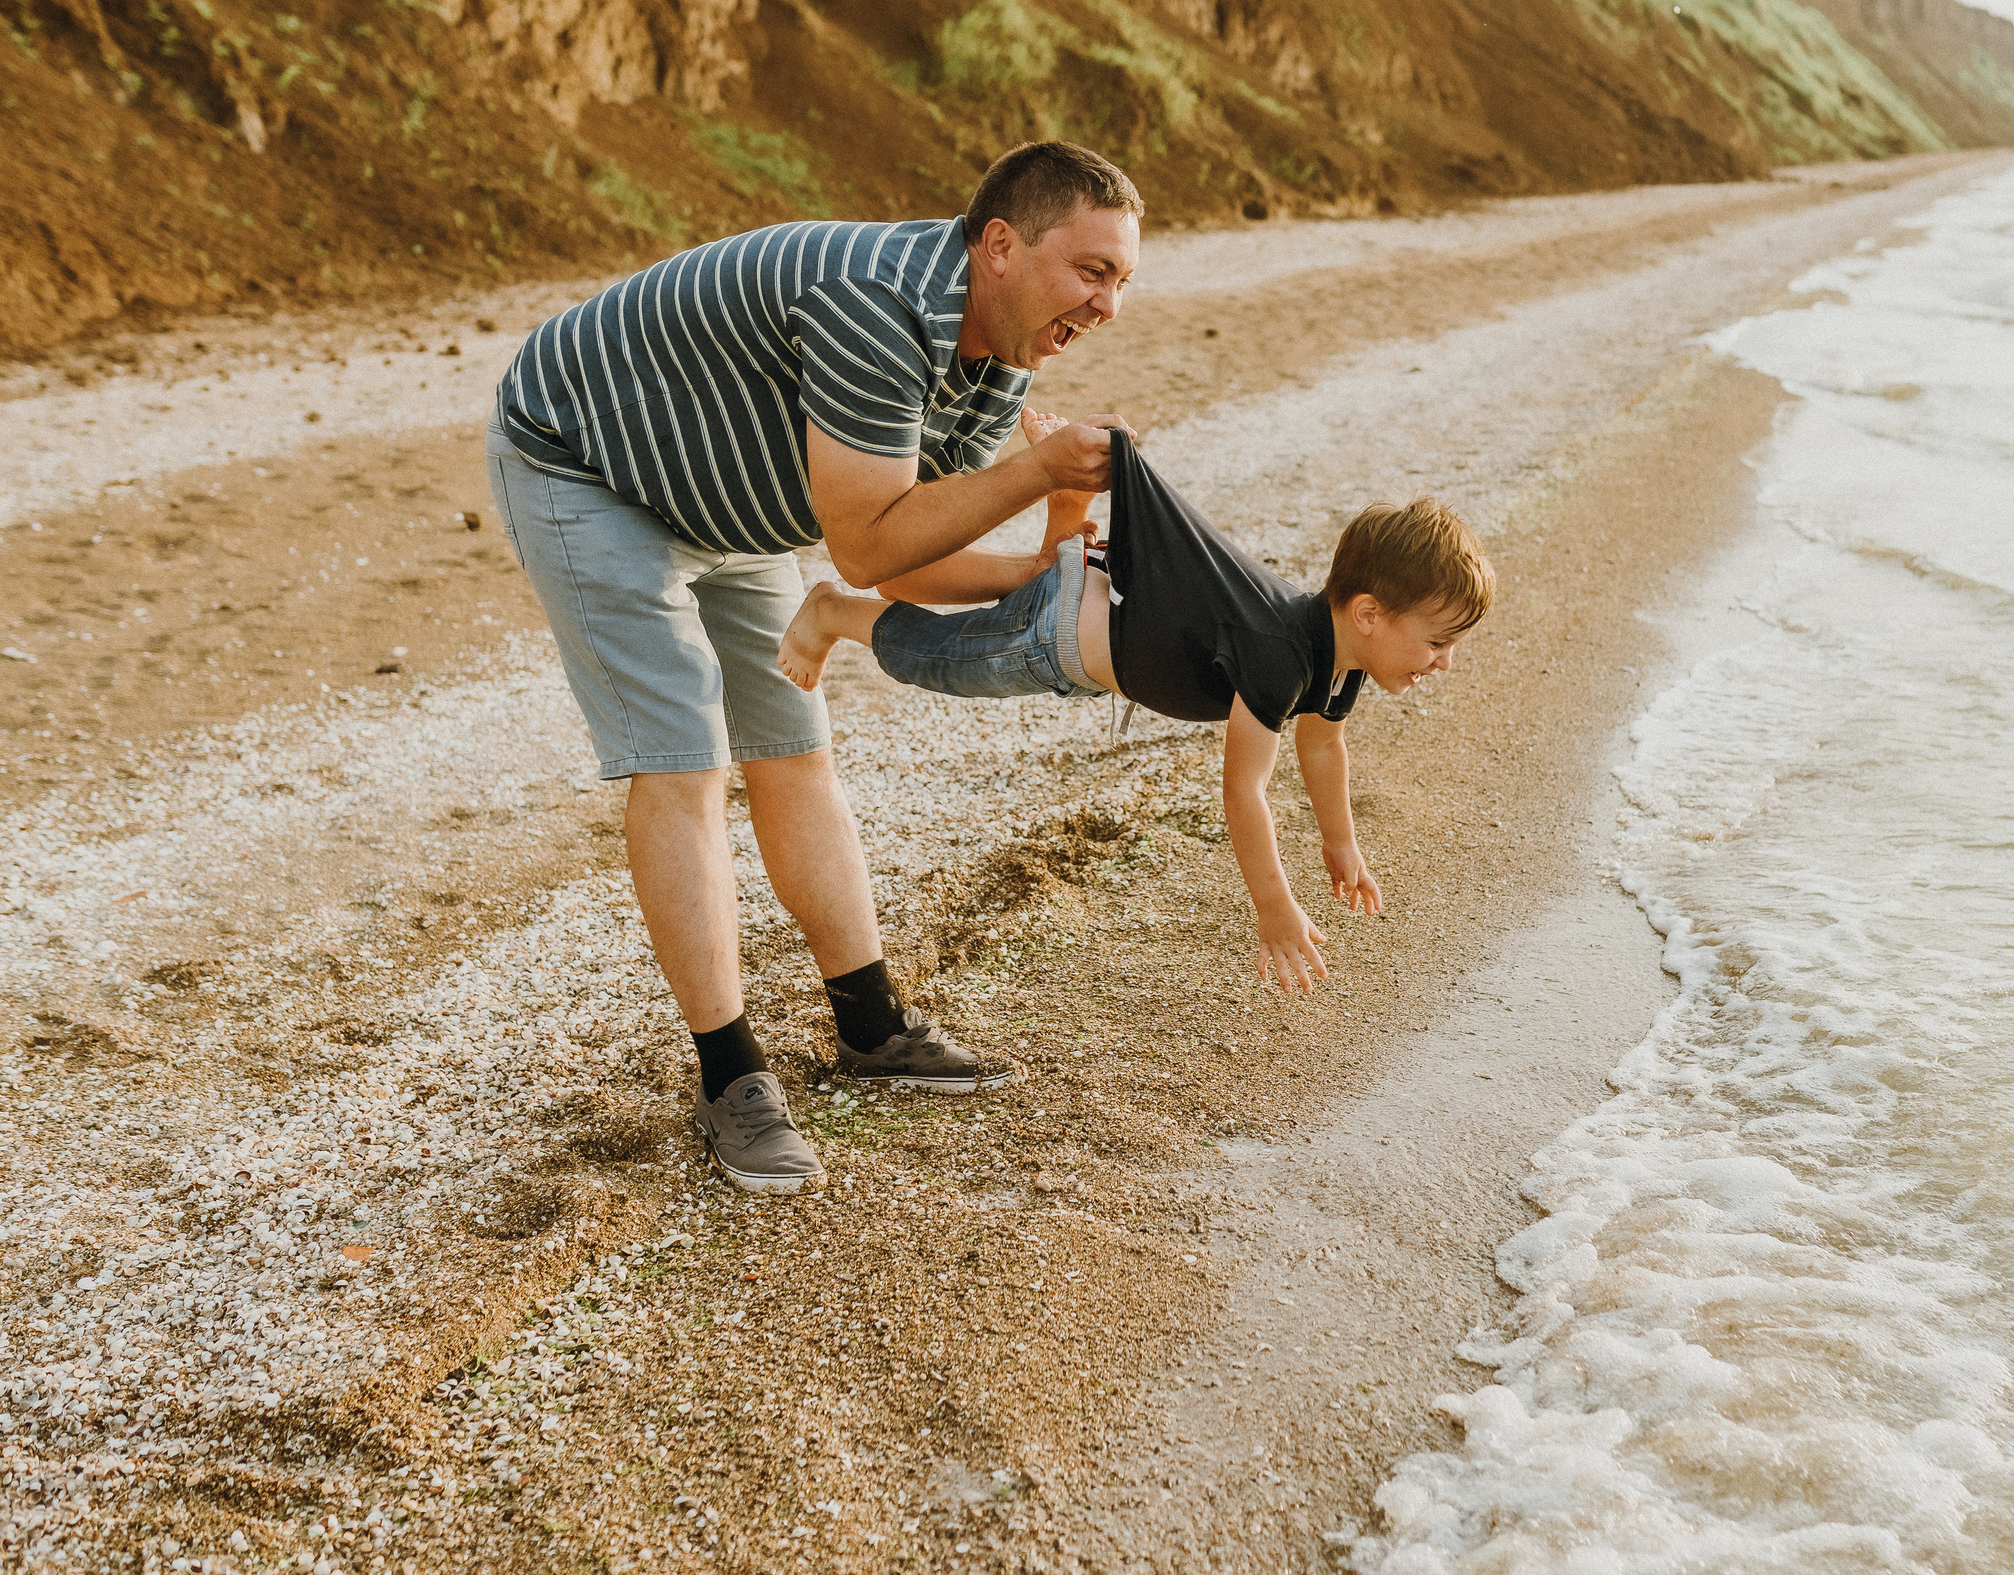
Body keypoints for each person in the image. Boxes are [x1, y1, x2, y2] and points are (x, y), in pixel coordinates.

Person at [486, 142, 1143, 1196]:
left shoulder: (995, 358)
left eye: (1121, 280)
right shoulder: (873, 306)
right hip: (583, 464)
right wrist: (1037, 473)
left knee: (792, 743)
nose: (1108, 304)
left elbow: (917, 542)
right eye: (1092, 271)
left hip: (727, 508)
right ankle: (730, 1077)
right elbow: (868, 549)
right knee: (686, 759)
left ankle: (870, 1026)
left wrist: (1040, 562)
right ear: (1003, 245)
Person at [778, 428, 1495, 989]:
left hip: (1089, 611)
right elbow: (1243, 790)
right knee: (931, 655)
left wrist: (1340, 843)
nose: (1444, 661)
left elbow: (1322, 746)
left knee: (976, 622)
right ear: (1369, 612)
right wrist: (1273, 905)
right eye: (1436, 641)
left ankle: (1065, 525)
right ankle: (834, 611)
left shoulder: (1338, 660)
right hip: (1056, 636)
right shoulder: (1283, 657)